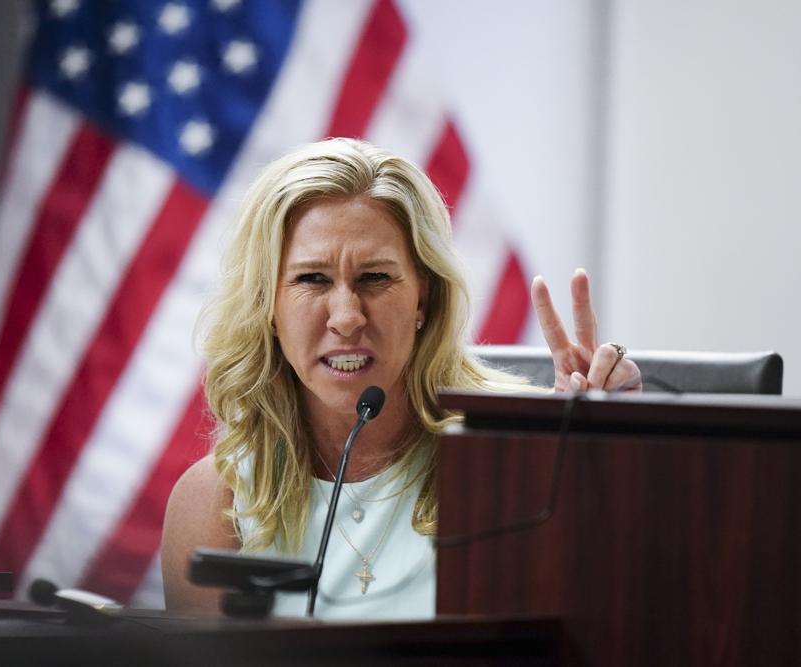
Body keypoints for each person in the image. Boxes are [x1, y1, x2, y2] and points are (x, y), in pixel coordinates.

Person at [161, 138, 641, 619]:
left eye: (374, 278)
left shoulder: (514, 459)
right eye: (312, 279)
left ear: (423, 297)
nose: (346, 317)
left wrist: (603, 466)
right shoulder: (214, 502)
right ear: (267, 304)